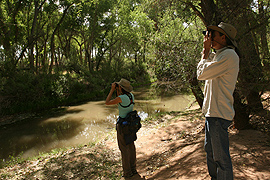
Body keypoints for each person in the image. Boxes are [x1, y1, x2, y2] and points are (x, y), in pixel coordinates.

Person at [197, 22, 239, 180]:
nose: (209, 38)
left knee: (221, 158)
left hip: (218, 114)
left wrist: (205, 51)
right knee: (211, 153)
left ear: (224, 37)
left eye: (212, 35)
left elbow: (200, 74)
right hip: (212, 114)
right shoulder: (219, 56)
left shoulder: (228, 56)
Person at [105, 78, 138, 179]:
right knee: (131, 146)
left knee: (124, 149)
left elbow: (107, 102)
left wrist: (112, 90)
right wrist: (118, 89)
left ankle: (127, 173)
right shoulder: (131, 96)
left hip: (122, 126)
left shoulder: (121, 98)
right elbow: (121, 99)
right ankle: (133, 169)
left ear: (121, 87)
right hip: (131, 125)